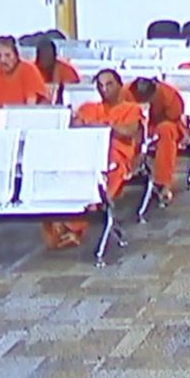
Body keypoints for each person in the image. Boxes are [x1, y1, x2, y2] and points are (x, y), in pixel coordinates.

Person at [43, 69, 143, 249]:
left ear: (120, 86)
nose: (104, 89)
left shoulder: (131, 109)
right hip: (85, 155)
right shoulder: (88, 108)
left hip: (115, 157)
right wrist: (103, 126)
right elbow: (74, 127)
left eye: (109, 84)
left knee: (105, 174)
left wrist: (101, 126)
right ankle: (64, 219)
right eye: (100, 85)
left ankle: (73, 225)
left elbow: (129, 131)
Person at [126, 76, 188, 205]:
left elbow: (175, 115)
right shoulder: (126, 93)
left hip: (164, 124)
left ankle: (163, 182)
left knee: (166, 131)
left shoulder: (168, 94)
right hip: (135, 124)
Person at [0, 36, 51, 114]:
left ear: (16, 55)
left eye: (7, 55)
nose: (3, 60)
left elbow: (32, 107)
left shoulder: (28, 70)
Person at [34, 38, 82, 103]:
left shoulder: (66, 70)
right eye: (42, 55)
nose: (45, 58)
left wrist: (57, 76)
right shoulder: (31, 70)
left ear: (55, 56)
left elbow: (73, 96)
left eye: (48, 55)